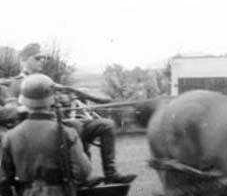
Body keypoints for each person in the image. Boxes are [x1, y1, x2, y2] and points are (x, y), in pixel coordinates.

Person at [9, 43, 136, 184]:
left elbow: (62, 97)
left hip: (62, 123)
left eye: (43, 58)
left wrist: (66, 98)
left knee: (106, 125)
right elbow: (20, 110)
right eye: (37, 58)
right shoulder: (18, 83)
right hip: (42, 128)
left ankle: (111, 174)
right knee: (75, 126)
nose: (42, 61)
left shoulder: (47, 80)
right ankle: (80, 178)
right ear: (24, 60)